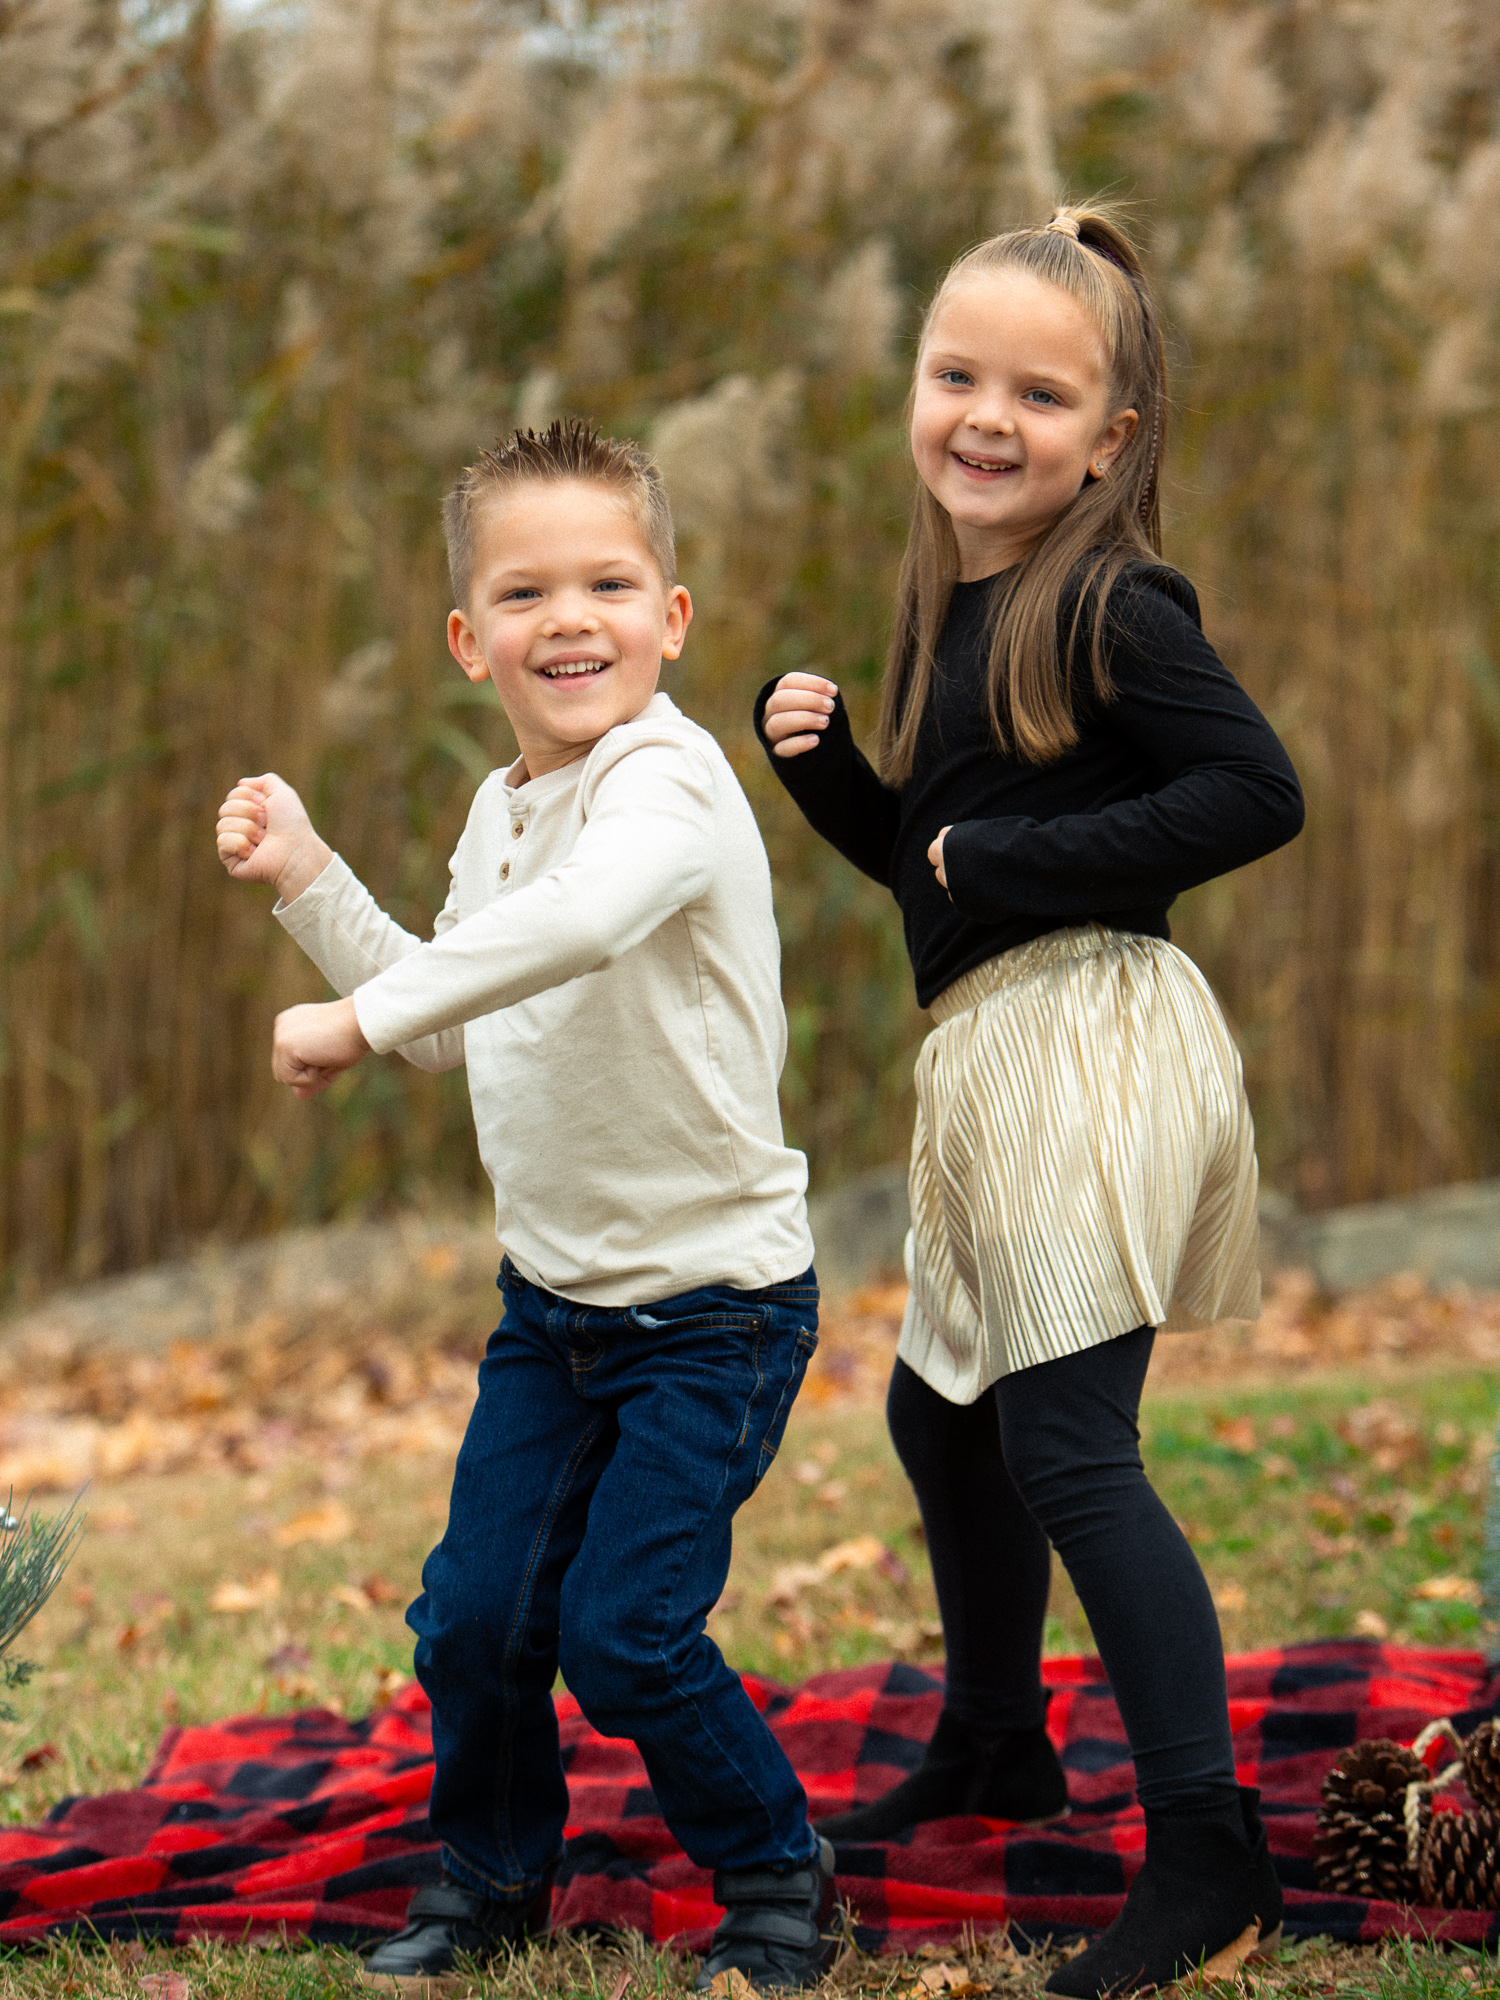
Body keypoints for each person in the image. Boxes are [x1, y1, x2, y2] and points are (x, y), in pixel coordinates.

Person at [755, 206, 1304, 1998]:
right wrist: (839, 779)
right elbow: (939, 882)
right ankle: (997, 1738)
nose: (987, 418)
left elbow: (1255, 791)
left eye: (1040, 395)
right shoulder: (965, 608)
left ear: (1111, 442)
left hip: (1093, 1039)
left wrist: (1013, 847)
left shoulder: (1119, 601)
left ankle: (1209, 1855)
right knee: (943, 1420)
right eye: (956, 377)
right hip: (994, 1044)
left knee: (1069, 1447)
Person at [215, 420, 836, 1994]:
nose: (570, 618)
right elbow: (439, 1015)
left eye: (610, 582)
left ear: (672, 616)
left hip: (716, 1311)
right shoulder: (501, 813)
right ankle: (493, 1881)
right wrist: (309, 881)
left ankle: (777, 1881)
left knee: (626, 1632)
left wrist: (347, 1028)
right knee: (475, 1619)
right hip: (551, 1311)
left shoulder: (670, 783)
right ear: (467, 638)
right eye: (526, 591)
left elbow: (590, 917)